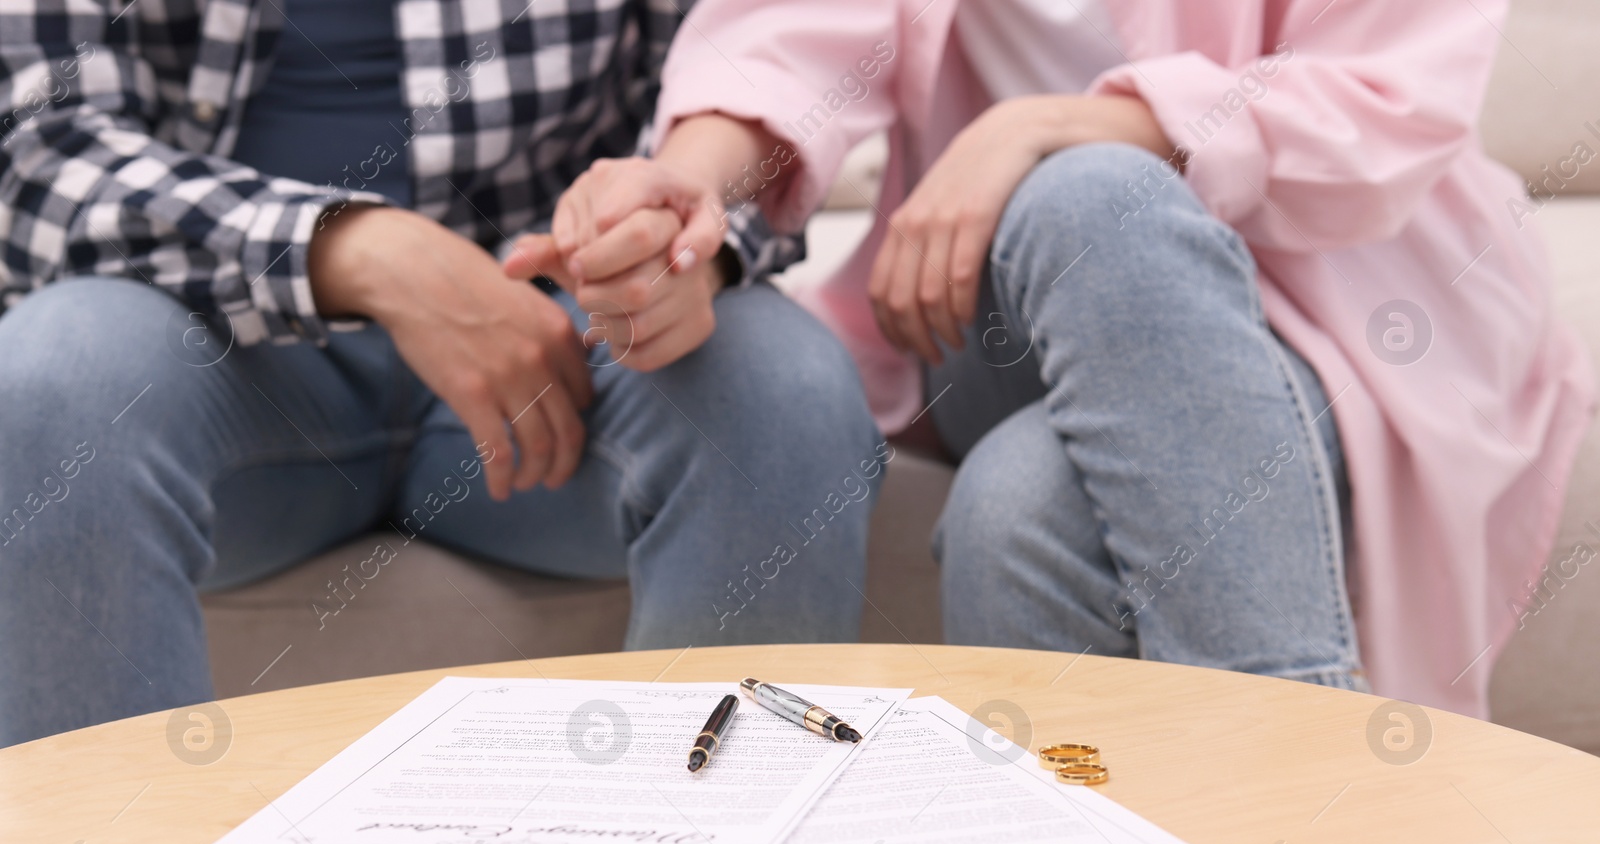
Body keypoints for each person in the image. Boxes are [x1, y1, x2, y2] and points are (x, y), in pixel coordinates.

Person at [538, 0, 1595, 718]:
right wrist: (688, 186)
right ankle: (1308, 783)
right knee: (1094, 200)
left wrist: (1046, 128)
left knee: (1020, 510)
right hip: (991, 312)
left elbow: (1392, 100)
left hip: (1348, 305)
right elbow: (786, 38)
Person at [0, 2, 883, 747]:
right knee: (49, 383)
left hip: (556, 343)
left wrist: (677, 235)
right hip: (215, 339)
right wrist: (358, 248)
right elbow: (32, 150)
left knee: (782, 388)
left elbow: (751, 57)